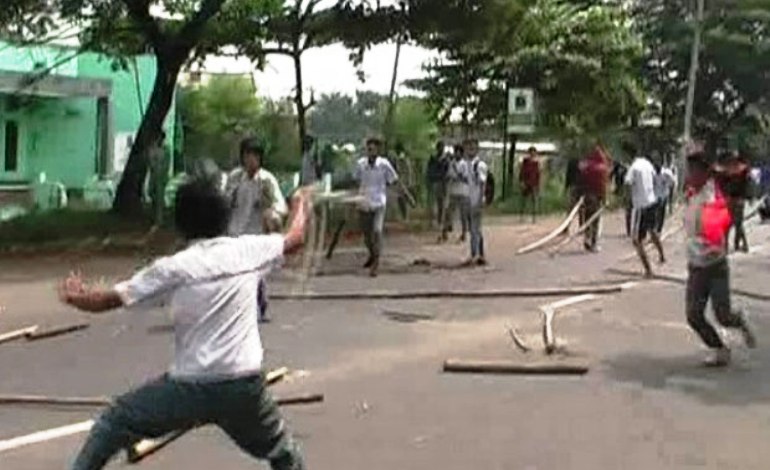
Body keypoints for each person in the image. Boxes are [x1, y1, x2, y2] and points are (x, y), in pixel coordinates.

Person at [60, 179, 310, 470]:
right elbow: (295, 236)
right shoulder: (249, 250)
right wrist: (300, 203)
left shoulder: (173, 268)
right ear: (225, 215)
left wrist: (75, 296)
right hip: (244, 385)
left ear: (181, 222)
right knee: (282, 453)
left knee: (115, 421)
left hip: (190, 387)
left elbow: (108, 300)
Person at [682, 149, 756, 367]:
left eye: (695, 170)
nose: (690, 174)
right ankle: (720, 348)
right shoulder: (691, 193)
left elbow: (715, 230)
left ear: (705, 173)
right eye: (690, 170)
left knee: (723, 315)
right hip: (696, 265)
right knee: (694, 315)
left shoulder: (713, 196)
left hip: (715, 265)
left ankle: (739, 320)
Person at [226, 138, 288, 323]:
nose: (251, 160)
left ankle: (257, 303)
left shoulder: (267, 180)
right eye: (247, 156)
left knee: (253, 272)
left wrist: (270, 211)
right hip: (236, 231)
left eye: (255, 156)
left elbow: (280, 206)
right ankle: (246, 306)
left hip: (256, 233)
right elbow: (223, 201)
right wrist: (231, 196)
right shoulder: (235, 178)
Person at [354, 138, 400, 277]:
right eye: (369, 149)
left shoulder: (384, 164)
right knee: (367, 236)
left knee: (377, 231)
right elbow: (355, 180)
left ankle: (376, 264)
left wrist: (400, 195)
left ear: (378, 151)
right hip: (364, 203)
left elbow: (394, 180)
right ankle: (372, 254)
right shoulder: (361, 164)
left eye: (373, 149)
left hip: (379, 203)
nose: (370, 152)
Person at [624, 143, 666, 277]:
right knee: (652, 230)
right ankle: (662, 255)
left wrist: (628, 200)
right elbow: (654, 179)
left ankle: (648, 270)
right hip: (651, 202)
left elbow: (628, 184)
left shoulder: (634, 167)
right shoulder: (647, 164)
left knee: (637, 240)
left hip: (640, 206)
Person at [715, 151, 751, 252]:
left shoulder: (726, 171)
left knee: (730, 223)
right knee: (737, 223)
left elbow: (720, 182)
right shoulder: (740, 170)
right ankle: (741, 244)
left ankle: (731, 245)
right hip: (737, 200)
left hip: (731, 200)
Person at [578, 145, 610, 252]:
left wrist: (581, 195)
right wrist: (605, 199)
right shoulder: (602, 168)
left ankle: (586, 238)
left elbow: (581, 181)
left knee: (587, 218)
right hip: (597, 197)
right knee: (595, 220)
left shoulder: (587, 167)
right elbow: (603, 185)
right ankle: (594, 243)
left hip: (587, 195)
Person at [465, 138, 488, 265]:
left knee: (476, 229)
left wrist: (480, 200)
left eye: (472, 148)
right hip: (470, 199)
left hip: (477, 200)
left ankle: (479, 254)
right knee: (473, 229)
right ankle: (475, 253)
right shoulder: (468, 164)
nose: (469, 151)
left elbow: (482, 184)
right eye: (468, 148)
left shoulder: (479, 165)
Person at [442, 144, 470, 242]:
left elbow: (465, 178)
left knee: (463, 214)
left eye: (459, 152)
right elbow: (448, 175)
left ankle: (464, 233)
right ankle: (444, 232)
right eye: (456, 152)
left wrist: (457, 176)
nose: (457, 154)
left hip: (463, 192)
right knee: (449, 212)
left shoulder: (464, 164)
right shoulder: (452, 163)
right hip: (453, 191)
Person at [426, 141, 449, 228]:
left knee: (441, 203)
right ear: (437, 148)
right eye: (440, 147)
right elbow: (429, 170)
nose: (441, 149)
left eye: (442, 147)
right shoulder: (433, 158)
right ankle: (432, 220)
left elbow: (447, 171)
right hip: (435, 182)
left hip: (442, 183)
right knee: (433, 202)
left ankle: (440, 221)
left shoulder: (445, 160)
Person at [653, 154, 676, 235]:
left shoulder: (666, 173)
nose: (656, 169)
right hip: (655, 196)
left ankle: (659, 230)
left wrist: (667, 187)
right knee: (655, 213)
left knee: (661, 213)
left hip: (663, 195)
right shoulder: (653, 174)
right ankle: (655, 228)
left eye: (657, 167)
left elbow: (672, 182)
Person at [519, 146, 541, 223]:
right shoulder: (526, 161)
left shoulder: (536, 163)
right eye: (531, 152)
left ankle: (534, 217)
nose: (532, 153)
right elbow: (522, 171)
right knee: (524, 201)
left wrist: (538, 184)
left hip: (534, 183)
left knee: (534, 201)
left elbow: (538, 174)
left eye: (534, 152)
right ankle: (522, 216)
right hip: (526, 182)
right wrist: (521, 181)